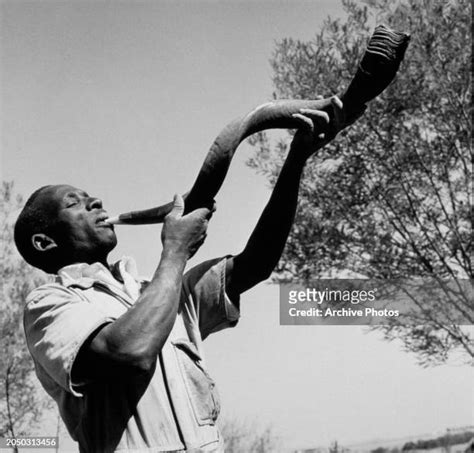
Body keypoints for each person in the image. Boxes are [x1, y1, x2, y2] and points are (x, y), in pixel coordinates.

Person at [15, 96, 362, 453]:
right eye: (74, 203)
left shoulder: (155, 291)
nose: (96, 202)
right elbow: (129, 352)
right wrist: (175, 251)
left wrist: (296, 160)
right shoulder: (50, 305)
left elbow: (256, 264)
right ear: (44, 242)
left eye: (90, 196)